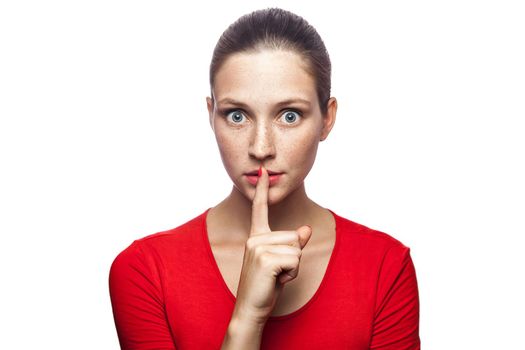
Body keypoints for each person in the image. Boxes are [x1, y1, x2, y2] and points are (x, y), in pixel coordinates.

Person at [108, 7, 420, 350]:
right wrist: (247, 318)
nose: (261, 148)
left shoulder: (384, 267)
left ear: (326, 119)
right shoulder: (145, 271)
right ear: (211, 116)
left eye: (289, 115)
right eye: (237, 115)